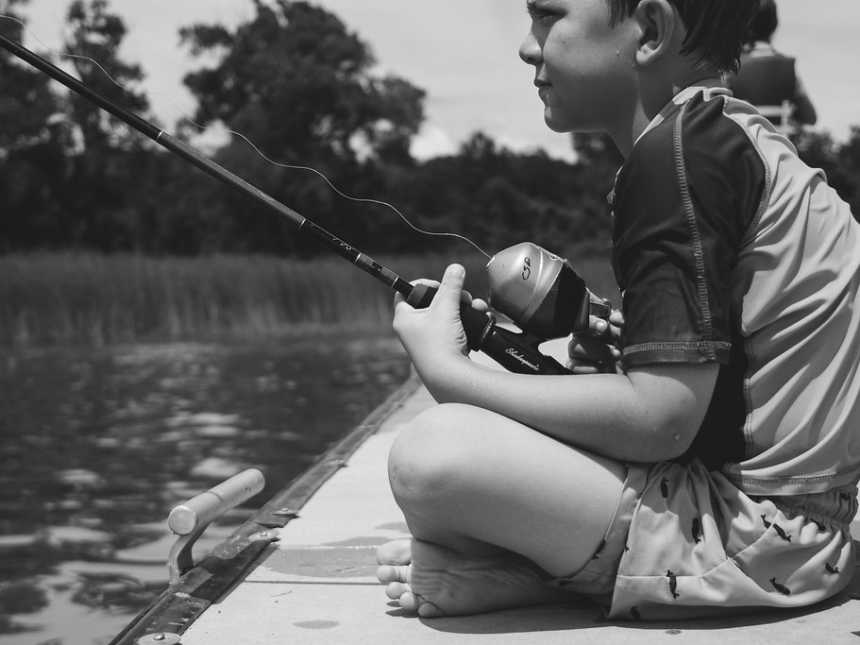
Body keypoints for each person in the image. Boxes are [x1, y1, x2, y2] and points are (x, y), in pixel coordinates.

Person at [376, 0, 859, 621]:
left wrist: (452, 375)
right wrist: (612, 364)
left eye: (548, 17)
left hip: (759, 540)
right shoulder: (727, 139)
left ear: (651, 31)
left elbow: (662, 420)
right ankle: (538, 570)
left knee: (431, 457)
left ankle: (546, 571)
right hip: (811, 530)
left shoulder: (674, 160)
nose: (528, 46)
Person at [727, 0, 817, 129]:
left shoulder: (731, 68)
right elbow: (810, 117)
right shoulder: (787, 69)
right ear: (774, 26)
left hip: (744, 146)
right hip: (780, 146)